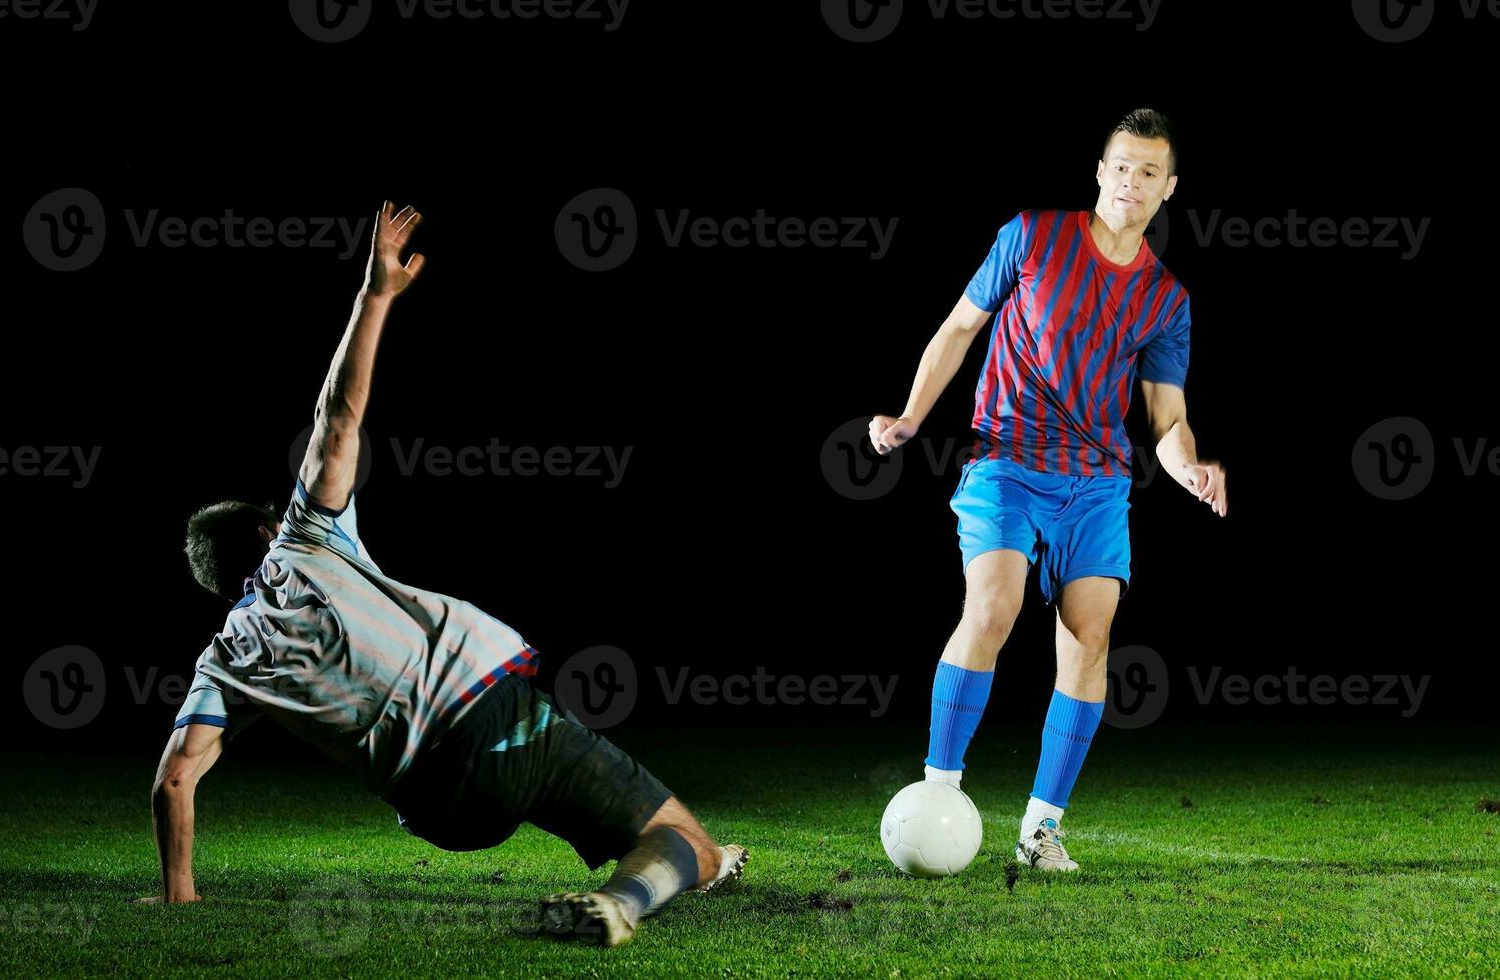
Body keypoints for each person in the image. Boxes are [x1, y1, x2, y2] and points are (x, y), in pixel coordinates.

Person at [137, 201, 746, 947]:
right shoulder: (303, 539)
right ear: (265, 531)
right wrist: (374, 296)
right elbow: (338, 420)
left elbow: (175, 779)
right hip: (493, 717)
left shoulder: (224, 662)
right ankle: (625, 899)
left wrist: (180, 894)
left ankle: (625, 870)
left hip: (440, 810)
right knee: (687, 842)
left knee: (551, 795)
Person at [868, 109, 1227, 872]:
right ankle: (939, 789)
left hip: (1097, 483)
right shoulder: (1031, 236)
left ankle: (1041, 829)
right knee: (992, 607)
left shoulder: (1167, 299)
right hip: (1006, 461)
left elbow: (1167, 416)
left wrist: (1190, 467)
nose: (1132, 181)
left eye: (1148, 172)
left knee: (1090, 638)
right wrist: (909, 415)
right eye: (1121, 166)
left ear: (1169, 188)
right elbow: (960, 327)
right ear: (1100, 172)